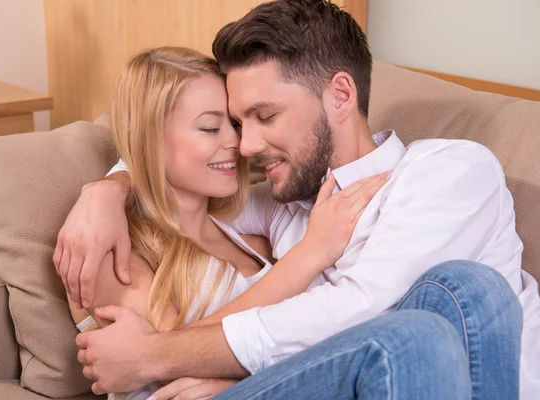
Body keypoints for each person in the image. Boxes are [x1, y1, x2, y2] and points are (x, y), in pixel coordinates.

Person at [56, 0, 538, 399]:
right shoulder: (284, 206)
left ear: (341, 96)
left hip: (463, 375)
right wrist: (104, 191)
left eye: (264, 116)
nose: (244, 146)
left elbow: (364, 310)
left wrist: (153, 355)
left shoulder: (448, 171)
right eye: (237, 124)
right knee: (424, 329)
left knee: (465, 288)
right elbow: (171, 185)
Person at [62, 46, 386, 400]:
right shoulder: (110, 250)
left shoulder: (251, 237)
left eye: (233, 124)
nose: (238, 143)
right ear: (150, 139)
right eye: (210, 127)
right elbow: (169, 360)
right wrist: (312, 252)